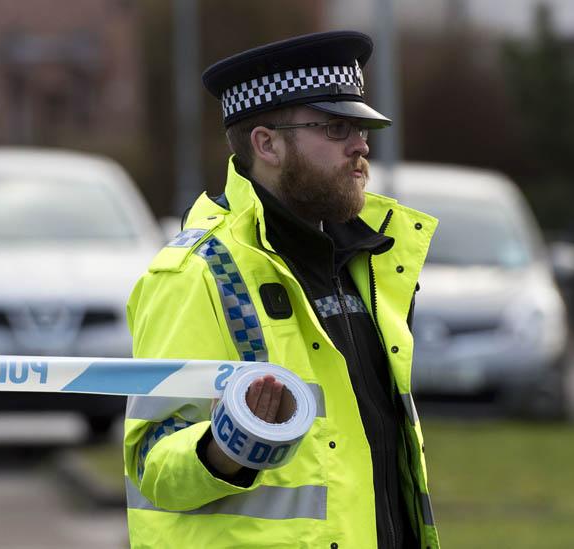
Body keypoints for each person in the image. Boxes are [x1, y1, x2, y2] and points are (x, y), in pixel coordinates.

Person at [123, 30, 440, 548]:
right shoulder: (196, 273)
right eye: (336, 128)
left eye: (361, 128)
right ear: (267, 144)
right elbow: (151, 466)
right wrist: (223, 450)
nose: (361, 146)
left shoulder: (368, 261)